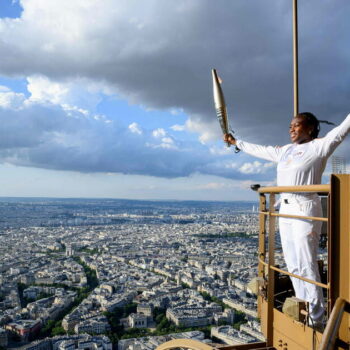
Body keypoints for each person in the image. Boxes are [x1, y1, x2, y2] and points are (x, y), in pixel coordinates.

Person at [223, 112, 350, 328]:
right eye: (290, 126)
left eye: (296, 126)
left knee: (307, 262)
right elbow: (261, 150)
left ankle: (316, 316)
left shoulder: (319, 147)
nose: (291, 129)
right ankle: (304, 307)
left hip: (304, 207)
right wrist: (237, 142)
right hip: (286, 209)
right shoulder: (285, 151)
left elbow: (342, 131)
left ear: (309, 128)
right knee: (293, 264)